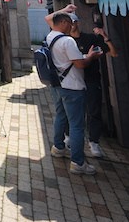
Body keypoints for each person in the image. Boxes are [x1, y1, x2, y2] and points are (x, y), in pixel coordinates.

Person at [45, 11, 103, 175]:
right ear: (63, 22)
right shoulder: (67, 41)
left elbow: (49, 19)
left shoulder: (50, 37)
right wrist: (90, 57)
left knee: (60, 116)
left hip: (57, 84)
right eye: (70, 23)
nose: (73, 26)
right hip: (72, 86)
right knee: (77, 125)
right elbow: (80, 64)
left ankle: (58, 147)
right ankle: (78, 162)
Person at [69, 13, 118, 158]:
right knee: (74, 114)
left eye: (72, 21)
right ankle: (71, 139)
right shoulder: (65, 42)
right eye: (67, 22)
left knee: (94, 112)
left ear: (77, 22)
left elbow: (113, 53)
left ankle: (94, 142)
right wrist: (87, 57)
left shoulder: (91, 39)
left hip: (91, 81)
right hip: (73, 82)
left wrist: (105, 37)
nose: (70, 24)